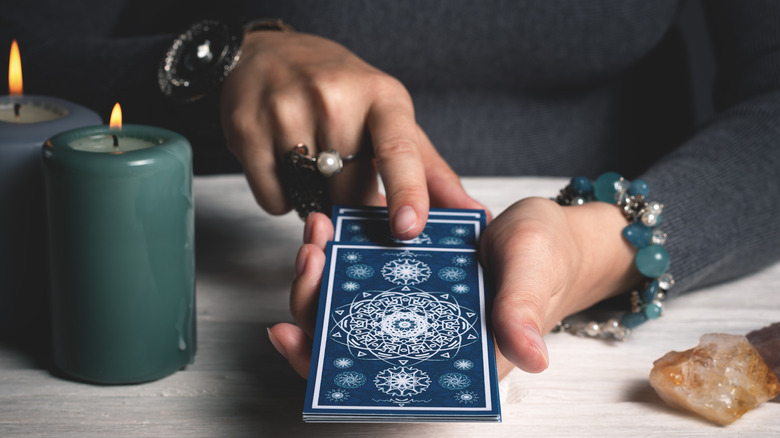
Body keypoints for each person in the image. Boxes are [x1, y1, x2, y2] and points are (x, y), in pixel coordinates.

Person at [4, 1, 779, 378]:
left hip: (638, 279)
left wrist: (597, 246)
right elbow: (24, 48)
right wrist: (220, 66)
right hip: (213, 240)